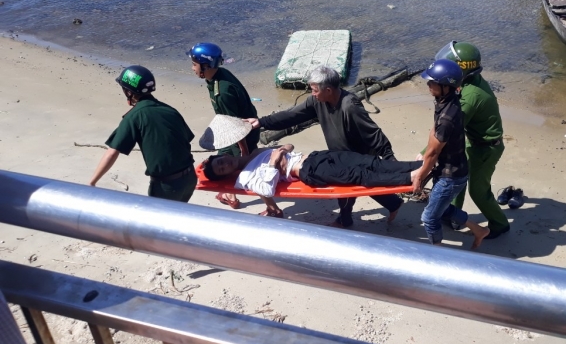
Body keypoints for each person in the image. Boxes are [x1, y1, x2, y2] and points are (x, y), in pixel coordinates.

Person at [246, 65, 403, 228]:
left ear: (328, 90)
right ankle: (393, 203)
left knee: (348, 186)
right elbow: (292, 115)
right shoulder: (317, 101)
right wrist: (262, 122)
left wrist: (389, 159)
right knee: (358, 183)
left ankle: (345, 220)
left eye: (314, 90)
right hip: (338, 153)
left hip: (358, 155)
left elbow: (373, 132)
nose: (312, 94)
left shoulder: (350, 106)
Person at [202, 146, 421, 222]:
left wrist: (282, 150)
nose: (224, 163)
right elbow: (267, 188)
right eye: (222, 169)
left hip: (315, 156)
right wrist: (274, 161)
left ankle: (416, 166)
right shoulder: (244, 178)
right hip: (309, 171)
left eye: (220, 161)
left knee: (368, 161)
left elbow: (287, 144)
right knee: (360, 176)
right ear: (226, 174)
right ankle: (410, 178)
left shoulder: (255, 153)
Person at [434, 42, 510, 239]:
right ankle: (454, 215)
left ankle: (500, 224)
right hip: (472, 141)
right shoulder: (471, 80)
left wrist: (425, 154)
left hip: (486, 148)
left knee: (478, 190)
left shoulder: (470, 97)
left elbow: (445, 130)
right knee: (457, 178)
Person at [411, 59, 490, 249]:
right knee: (442, 209)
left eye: (432, 82)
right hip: (453, 169)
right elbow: (434, 133)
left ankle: (437, 254)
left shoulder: (448, 116)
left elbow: (432, 152)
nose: (428, 85)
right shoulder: (447, 101)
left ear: (446, 85)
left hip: (451, 176)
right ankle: (479, 230)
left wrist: (419, 177)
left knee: (429, 218)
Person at [89, 65, 197, 202]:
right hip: (190, 179)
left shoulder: (135, 116)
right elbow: (186, 140)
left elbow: (112, 152)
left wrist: (92, 182)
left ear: (129, 92)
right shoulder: (170, 110)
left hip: (166, 186)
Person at [188, 42, 261, 212]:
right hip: (237, 127)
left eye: (194, 64)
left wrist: (243, 150)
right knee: (224, 157)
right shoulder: (219, 75)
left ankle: (232, 196)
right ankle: (231, 194)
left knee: (228, 164)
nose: (192, 68)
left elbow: (236, 125)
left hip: (242, 133)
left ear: (205, 66)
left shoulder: (223, 92)